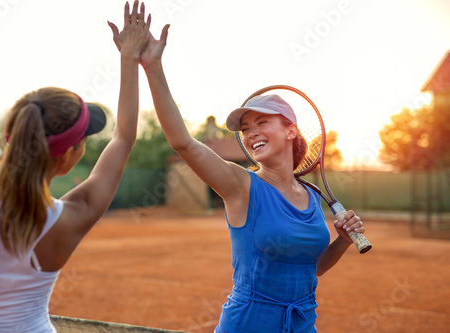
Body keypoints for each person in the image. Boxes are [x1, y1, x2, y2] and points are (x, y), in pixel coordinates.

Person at [136, 11, 366, 333]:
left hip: (301, 324)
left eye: (263, 122)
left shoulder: (312, 197)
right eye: (245, 128)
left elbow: (309, 270)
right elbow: (182, 143)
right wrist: (152, 66)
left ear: (290, 131)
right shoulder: (240, 185)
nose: (252, 133)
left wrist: (340, 242)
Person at [0, 1, 149, 331]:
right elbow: (124, 137)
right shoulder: (74, 215)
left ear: (8, 137)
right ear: (68, 155)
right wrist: (129, 57)